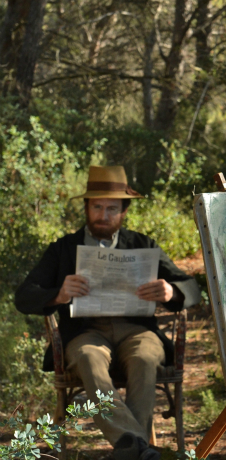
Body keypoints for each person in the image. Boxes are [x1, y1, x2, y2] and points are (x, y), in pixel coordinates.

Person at [15, 166, 201, 460]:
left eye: (112, 208)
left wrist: (171, 291)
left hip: (138, 330)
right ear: (86, 208)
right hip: (85, 333)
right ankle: (139, 449)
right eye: (97, 207)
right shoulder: (63, 249)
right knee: (89, 358)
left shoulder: (143, 245)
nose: (103, 215)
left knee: (145, 357)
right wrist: (59, 293)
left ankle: (130, 450)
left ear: (124, 211)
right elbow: (24, 296)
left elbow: (191, 286)